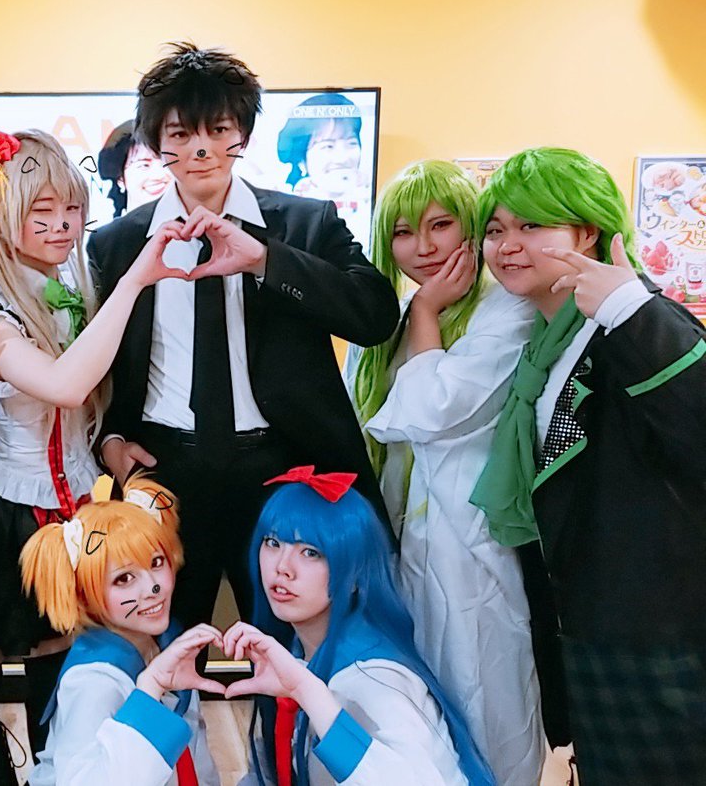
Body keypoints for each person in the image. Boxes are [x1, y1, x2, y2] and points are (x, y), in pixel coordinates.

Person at [0, 128, 188, 784]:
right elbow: (64, 385)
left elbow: (84, 409)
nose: (62, 225)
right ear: (3, 215)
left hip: (73, 516)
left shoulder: (69, 293)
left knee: (61, 687)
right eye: (42, 210)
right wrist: (136, 280)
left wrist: (108, 443)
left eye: (72, 208)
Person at [89, 42, 399, 631]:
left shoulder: (305, 224)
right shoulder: (118, 243)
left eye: (219, 129)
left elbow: (375, 316)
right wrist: (109, 440)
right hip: (165, 470)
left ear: (244, 136)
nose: (200, 149)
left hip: (283, 467)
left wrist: (266, 260)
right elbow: (99, 362)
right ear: (155, 143)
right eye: (180, 134)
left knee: (293, 644)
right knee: (161, 644)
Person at [472, 147, 706, 784]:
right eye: (495, 229)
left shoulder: (636, 319)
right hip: (586, 626)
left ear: (589, 233)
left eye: (532, 225)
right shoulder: (543, 344)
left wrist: (632, 308)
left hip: (655, 634)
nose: (507, 246)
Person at [349, 160, 543, 785]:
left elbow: (434, 408)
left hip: (476, 544)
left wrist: (428, 312)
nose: (424, 247)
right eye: (403, 232)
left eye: (441, 225)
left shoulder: (505, 308)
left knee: (486, 697)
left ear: (471, 227)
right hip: (404, 542)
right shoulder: (387, 319)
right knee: (416, 708)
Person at [230, 469, 495, 786]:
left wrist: (308, 692)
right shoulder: (301, 649)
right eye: (273, 542)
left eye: (311, 552)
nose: (282, 567)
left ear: (356, 574)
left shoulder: (372, 678)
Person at [20, 477, 222, 786]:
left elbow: (193, 746)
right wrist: (150, 691)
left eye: (156, 563)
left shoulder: (165, 641)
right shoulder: (94, 682)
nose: (152, 587)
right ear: (84, 594)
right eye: (124, 579)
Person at [99, 119, 176, 217]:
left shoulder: (191, 225)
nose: (158, 175)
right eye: (144, 165)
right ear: (120, 179)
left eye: (166, 163)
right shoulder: (108, 228)